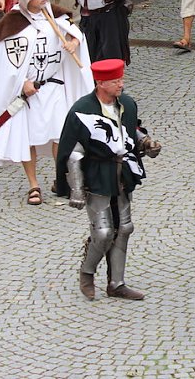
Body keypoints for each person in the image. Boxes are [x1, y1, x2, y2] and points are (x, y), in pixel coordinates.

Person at [55, 58, 161, 301]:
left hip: (122, 172)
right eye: (116, 81)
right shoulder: (82, 110)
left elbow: (130, 129)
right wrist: (77, 189)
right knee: (103, 232)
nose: (121, 84)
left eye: (121, 79)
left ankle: (117, 283)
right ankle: (87, 272)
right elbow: (73, 152)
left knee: (124, 227)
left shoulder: (126, 104)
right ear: (101, 83)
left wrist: (145, 142)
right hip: (97, 174)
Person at [0, 0, 93, 205]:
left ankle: (59, 177)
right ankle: (33, 185)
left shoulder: (54, 17)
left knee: (60, 135)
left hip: (54, 87)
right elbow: (8, 63)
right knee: (29, 138)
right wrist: (22, 82)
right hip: (30, 93)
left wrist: (74, 42)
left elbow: (76, 34)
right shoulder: (13, 24)